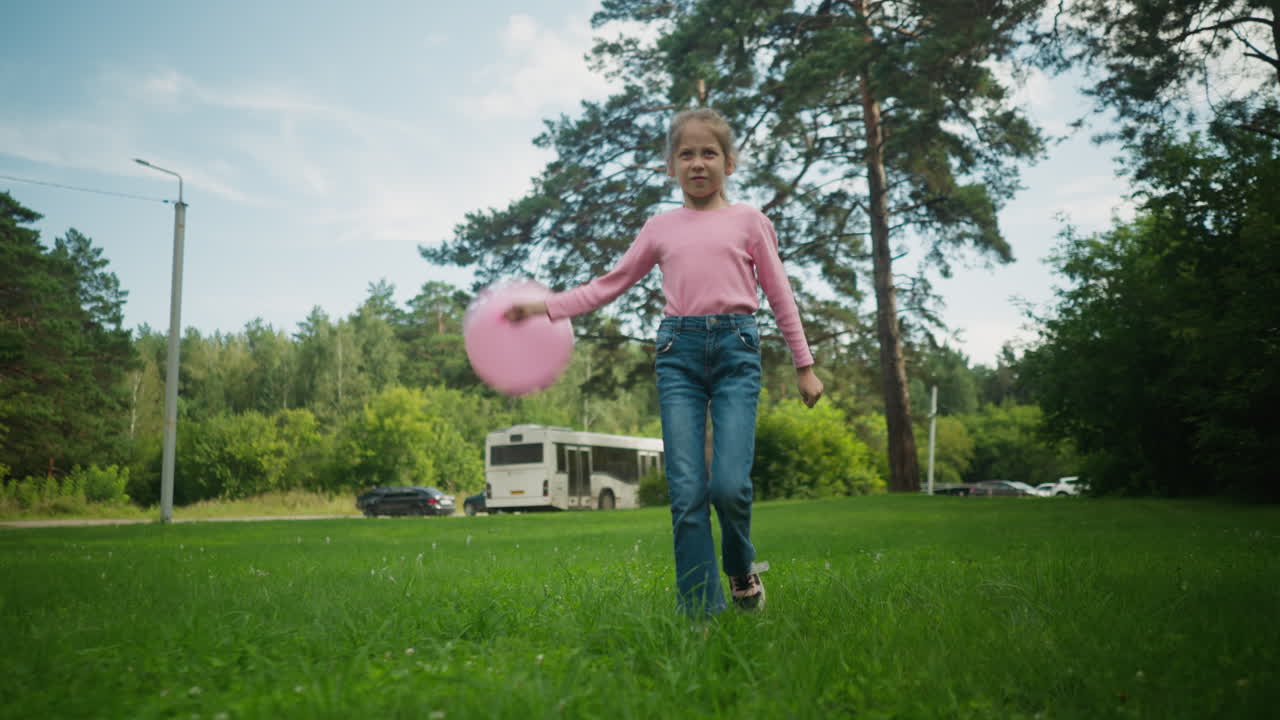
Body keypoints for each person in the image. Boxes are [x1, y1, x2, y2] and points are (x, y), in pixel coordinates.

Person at [506, 107, 823, 616]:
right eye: (687, 154)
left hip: (738, 352)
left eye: (709, 153)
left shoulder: (749, 222)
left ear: (729, 162)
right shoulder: (660, 228)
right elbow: (608, 284)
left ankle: (741, 569)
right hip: (678, 355)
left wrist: (804, 365)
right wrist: (545, 307)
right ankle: (701, 613)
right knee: (687, 492)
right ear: (670, 165)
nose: (698, 163)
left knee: (730, 487)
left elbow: (780, 293)